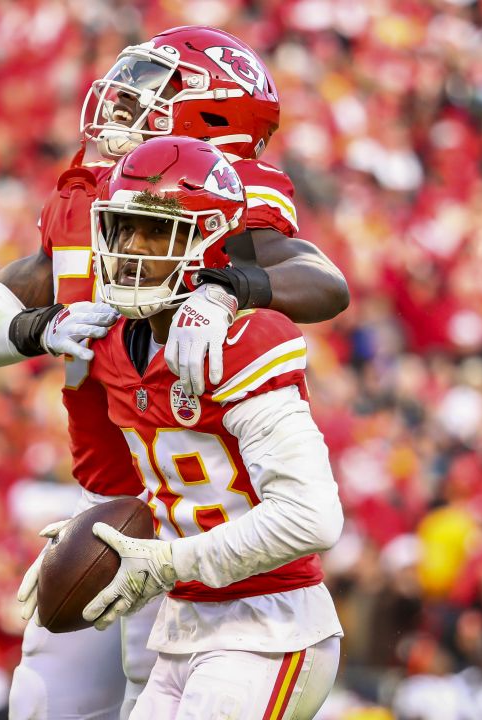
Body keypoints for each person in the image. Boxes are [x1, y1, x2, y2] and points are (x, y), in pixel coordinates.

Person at [0, 26, 349, 720]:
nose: (122, 103)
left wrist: (227, 289)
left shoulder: (236, 232)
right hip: (118, 502)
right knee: (45, 700)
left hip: (215, 548)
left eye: (155, 91)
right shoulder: (90, 210)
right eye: (121, 231)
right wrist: (36, 327)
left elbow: (321, 282)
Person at [76, 136, 344, 719]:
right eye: (124, 230)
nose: (132, 251)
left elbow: (311, 518)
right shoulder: (112, 343)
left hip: (269, 628)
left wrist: (167, 563)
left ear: (209, 240)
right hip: (181, 627)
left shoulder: (245, 339)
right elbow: (132, 486)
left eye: (155, 232)